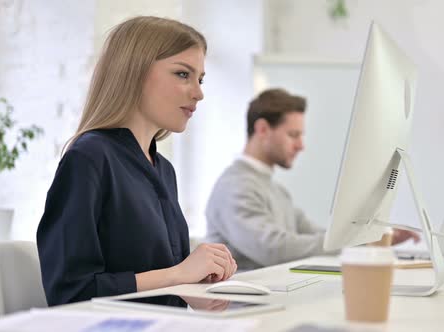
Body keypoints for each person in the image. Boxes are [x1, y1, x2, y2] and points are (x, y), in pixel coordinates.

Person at [37, 16, 237, 306]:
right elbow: (70, 292)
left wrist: (196, 288)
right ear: (134, 72)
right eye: (183, 74)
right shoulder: (88, 159)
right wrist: (178, 275)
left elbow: (166, 281)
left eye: (200, 79)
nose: (199, 92)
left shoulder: (164, 170)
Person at [205, 88, 419, 270]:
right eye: (293, 135)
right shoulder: (235, 187)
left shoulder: (276, 190)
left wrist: (371, 236)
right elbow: (274, 249)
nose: (301, 145)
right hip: (239, 309)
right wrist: (362, 241)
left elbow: (319, 236)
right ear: (262, 129)